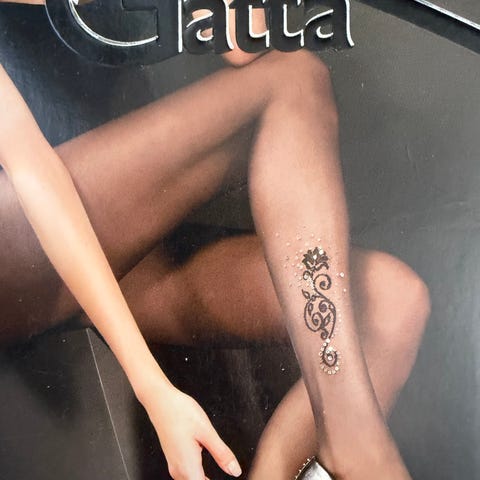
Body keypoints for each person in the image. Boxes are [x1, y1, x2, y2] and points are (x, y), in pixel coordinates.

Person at [0, 1, 430, 479]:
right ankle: (355, 442)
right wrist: (152, 386)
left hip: (109, 254)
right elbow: (33, 175)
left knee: (393, 303)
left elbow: (246, 43)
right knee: (293, 79)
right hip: (21, 238)